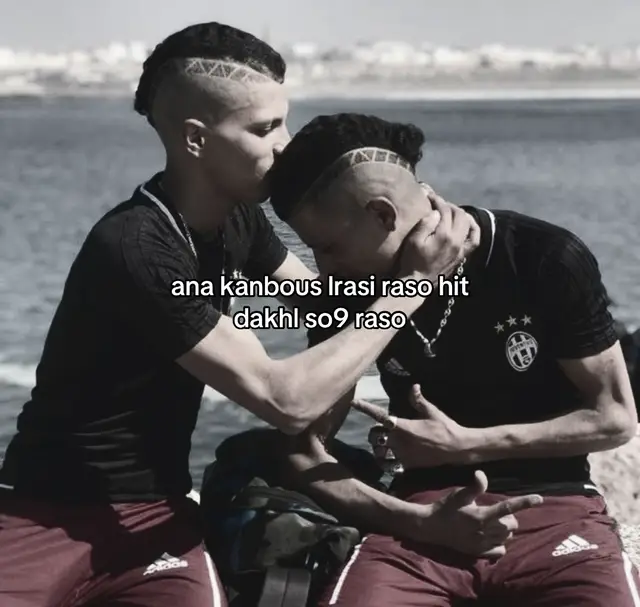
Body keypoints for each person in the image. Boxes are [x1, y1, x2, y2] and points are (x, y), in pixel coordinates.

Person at [0, 22, 524, 607]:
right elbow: (284, 399)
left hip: (156, 513)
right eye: (264, 128)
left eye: (285, 122)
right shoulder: (135, 246)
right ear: (196, 139)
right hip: (41, 509)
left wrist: (394, 232)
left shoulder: (239, 222)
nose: (285, 145)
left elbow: (328, 303)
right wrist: (413, 285)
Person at [266, 112, 640, 606]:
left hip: (555, 505)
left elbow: (615, 417)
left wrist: (466, 445)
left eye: (330, 248)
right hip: (421, 516)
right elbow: (304, 451)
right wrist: (416, 520)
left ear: (383, 215)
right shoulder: (350, 289)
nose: (324, 268)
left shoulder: (541, 256)